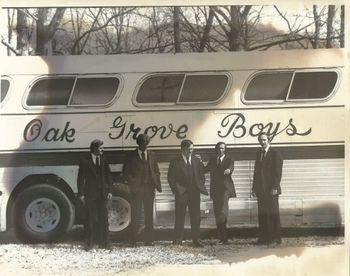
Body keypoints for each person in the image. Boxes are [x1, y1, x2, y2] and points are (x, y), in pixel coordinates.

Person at [167, 139, 208, 247]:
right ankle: (177, 240)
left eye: (192, 149)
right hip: (181, 193)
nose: (191, 151)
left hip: (194, 193)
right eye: (189, 149)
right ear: (183, 149)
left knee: (196, 216)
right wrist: (176, 190)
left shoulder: (196, 160)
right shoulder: (175, 161)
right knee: (179, 216)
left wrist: (199, 184)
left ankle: (196, 240)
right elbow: (170, 177)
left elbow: (201, 175)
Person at [123, 133, 162, 247]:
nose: (145, 146)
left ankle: (149, 240)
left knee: (149, 216)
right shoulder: (130, 156)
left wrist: (155, 183)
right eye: (143, 144)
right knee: (135, 215)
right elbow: (126, 172)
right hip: (137, 190)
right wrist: (133, 184)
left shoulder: (152, 155)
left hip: (149, 189)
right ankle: (133, 241)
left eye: (147, 144)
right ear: (139, 144)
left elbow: (156, 171)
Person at [77, 139, 113, 251]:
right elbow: (80, 178)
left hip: (102, 194)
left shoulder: (104, 159)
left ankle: (105, 243)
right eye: (101, 148)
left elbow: (108, 176)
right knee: (89, 219)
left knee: (104, 218)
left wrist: (110, 191)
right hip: (90, 194)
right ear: (95, 149)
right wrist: (81, 194)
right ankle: (89, 243)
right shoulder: (84, 161)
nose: (103, 150)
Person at [252, 132, 283, 246]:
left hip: (272, 190)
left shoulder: (275, 153)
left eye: (264, 140)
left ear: (269, 140)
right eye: (260, 140)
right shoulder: (258, 154)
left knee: (273, 213)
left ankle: (276, 238)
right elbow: (256, 172)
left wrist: (275, 187)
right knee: (263, 214)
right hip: (261, 190)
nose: (262, 142)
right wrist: (254, 188)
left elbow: (277, 173)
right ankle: (264, 238)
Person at [204, 142, 236, 244]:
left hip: (225, 189)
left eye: (222, 148)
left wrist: (228, 170)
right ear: (216, 149)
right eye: (219, 148)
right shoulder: (213, 160)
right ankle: (221, 238)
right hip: (215, 189)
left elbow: (231, 167)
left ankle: (224, 238)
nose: (220, 150)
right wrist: (199, 162)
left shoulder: (229, 159)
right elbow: (205, 169)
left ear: (225, 149)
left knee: (222, 212)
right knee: (217, 212)